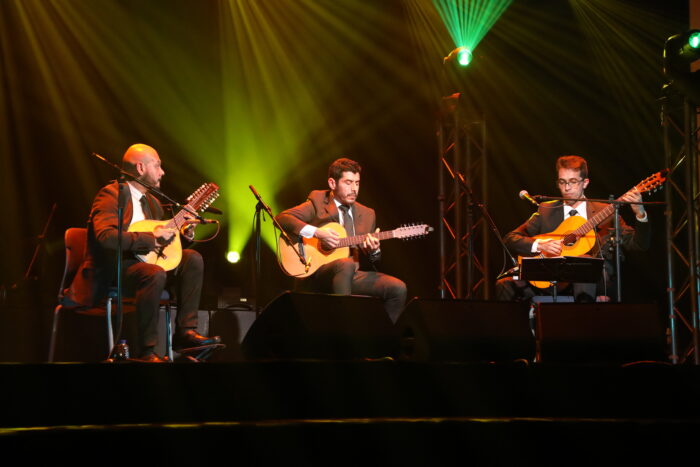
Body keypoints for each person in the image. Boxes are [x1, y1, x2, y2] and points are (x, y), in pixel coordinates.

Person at [67, 144, 220, 362]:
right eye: (157, 165)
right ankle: (147, 351)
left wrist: (184, 234)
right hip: (114, 270)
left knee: (192, 259)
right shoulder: (111, 194)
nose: (162, 172)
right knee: (153, 273)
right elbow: (105, 237)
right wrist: (151, 238)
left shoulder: (153, 203)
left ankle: (185, 332)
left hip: (146, 268)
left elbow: (163, 247)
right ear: (140, 168)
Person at [495, 155, 650, 302]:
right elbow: (511, 238)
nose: (567, 188)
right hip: (550, 280)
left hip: (592, 281)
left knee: (583, 264)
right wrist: (540, 245)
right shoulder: (547, 210)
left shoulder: (606, 212)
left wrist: (640, 214)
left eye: (573, 181)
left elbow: (639, 244)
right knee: (504, 284)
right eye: (562, 182)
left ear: (585, 183)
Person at [275, 157, 407, 322]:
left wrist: (374, 251)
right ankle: (346, 326)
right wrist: (317, 233)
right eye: (348, 183)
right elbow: (282, 219)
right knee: (346, 263)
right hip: (316, 275)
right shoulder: (318, 201)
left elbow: (373, 262)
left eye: (357, 183)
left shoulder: (367, 214)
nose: (354, 189)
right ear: (332, 183)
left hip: (350, 276)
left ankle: (384, 336)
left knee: (398, 288)